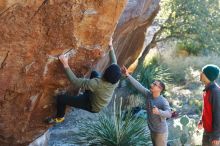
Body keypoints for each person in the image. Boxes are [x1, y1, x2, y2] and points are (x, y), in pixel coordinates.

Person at [46, 38, 121, 124]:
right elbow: (114, 62)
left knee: (61, 98)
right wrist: (110, 46)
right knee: (94, 73)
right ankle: (86, 93)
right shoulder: (115, 80)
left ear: (106, 73)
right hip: (98, 97)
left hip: (92, 105)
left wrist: (65, 64)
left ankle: (60, 117)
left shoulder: (96, 83)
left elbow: (75, 81)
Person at [121, 66, 172, 146]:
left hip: (161, 132)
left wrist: (159, 112)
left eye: (154, 84)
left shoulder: (162, 101)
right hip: (152, 130)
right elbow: (139, 86)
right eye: (153, 83)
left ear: (160, 89)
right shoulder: (149, 94)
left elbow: (169, 113)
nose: (151, 85)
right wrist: (128, 75)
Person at [198, 64, 220, 146]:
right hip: (207, 131)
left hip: (213, 134)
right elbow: (206, 109)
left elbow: (218, 114)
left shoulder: (215, 92)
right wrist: (201, 120)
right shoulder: (207, 90)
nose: (200, 74)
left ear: (208, 75)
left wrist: (216, 136)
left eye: (203, 72)